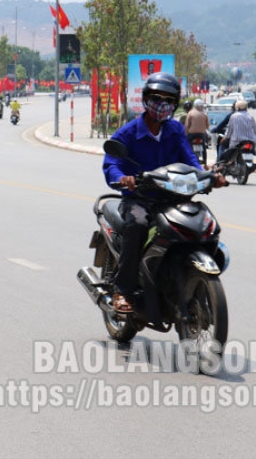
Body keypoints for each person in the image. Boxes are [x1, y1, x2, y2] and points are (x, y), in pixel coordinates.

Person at [102, 73, 226, 314]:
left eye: (168, 100)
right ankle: (123, 290)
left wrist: (207, 176)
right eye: (157, 99)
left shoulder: (176, 130)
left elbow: (189, 158)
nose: (162, 105)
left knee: (201, 224)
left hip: (172, 197)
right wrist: (122, 178)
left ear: (175, 103)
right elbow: (112, 164)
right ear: (146, 100)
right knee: (137, 225)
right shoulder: (128, 133)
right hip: (139, 199)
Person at [217, 100, 256, 166]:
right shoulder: (251, 117)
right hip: (251, 142)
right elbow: (255, 131)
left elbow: (229, 131)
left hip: (237, 142)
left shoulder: (234, 116)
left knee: (222, 144)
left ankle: (220, 163)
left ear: (237, 107)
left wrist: (225, 138)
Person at [185, 98, 210, 165]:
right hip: (201, 134)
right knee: (204, 147)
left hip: (192, 134)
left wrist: (186, 132)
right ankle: (205, 162)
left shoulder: (190, 113)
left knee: (186, 146)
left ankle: (187, 160)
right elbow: (207, 125)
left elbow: (187, 125)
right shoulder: (204, 114)